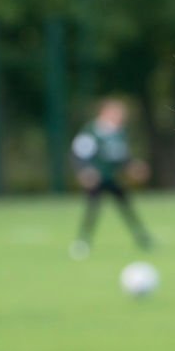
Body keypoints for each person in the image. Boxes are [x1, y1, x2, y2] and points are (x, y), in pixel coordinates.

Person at [69, 98, 153, 259]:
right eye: (116, 112)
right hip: (97, 179)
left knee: (126, 207)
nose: (120, 116)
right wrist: (85, 171)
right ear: (105, 112)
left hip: (112, 179)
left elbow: (121, 158)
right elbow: (79, 154)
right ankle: (83, 242)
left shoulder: (119, 133)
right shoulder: (92, 131)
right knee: (92, 210)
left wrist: (133, 167)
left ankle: (142, 238)